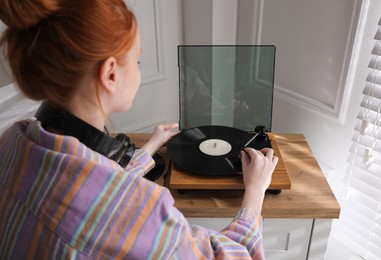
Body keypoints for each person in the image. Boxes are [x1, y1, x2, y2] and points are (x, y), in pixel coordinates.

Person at [0, 0, 278, 259]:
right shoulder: (145, 214)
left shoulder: (11, 142)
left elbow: (90, 195)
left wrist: (145, 153)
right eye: (137, 61)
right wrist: (255, 190)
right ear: (110, 74)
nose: (138, 69)